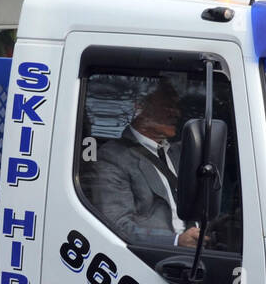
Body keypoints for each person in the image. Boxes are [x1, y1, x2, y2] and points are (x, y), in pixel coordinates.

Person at [82, 82, 201, 248]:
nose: (177, 113)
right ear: (141, 107)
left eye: (176, 106)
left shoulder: (178, 153)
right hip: (153, 259)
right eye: (167, 105)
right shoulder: (113, 157)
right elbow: (116, 225)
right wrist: (176, 242)